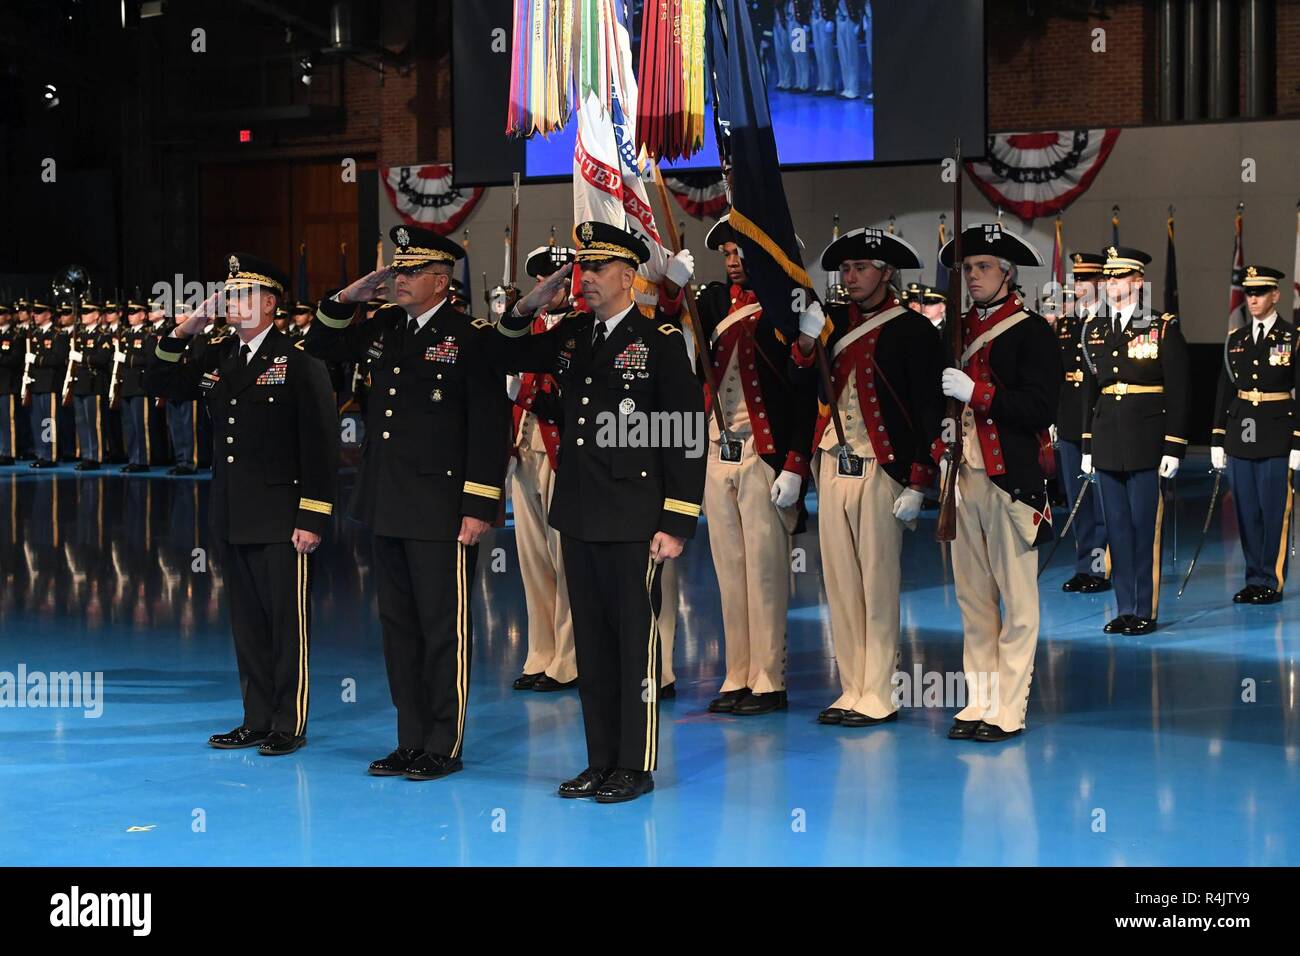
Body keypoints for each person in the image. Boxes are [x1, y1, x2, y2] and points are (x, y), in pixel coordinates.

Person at [497, 221, 705, 803]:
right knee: (590, 644)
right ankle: (599, 760)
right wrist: (529, 305)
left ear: (626, 276)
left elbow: (686, 432)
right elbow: (505, 348)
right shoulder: (570, 335)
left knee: (632, 642)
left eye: (596, 270)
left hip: (637, 517)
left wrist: (678, 518)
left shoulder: (659, 340)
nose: (584, 280)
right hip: (581, 511)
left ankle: (634, 765)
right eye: (581, 270)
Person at [304, 225, 510, 781]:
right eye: (397, 270)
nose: (398, 278)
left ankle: (443, 742)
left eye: (410, 271)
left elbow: (490, 425)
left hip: (443, 504)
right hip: (388, 498)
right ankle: (410, 738)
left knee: (443, 627)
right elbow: (321, 345)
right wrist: (348, 297)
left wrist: (479, 504)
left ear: (441, 280)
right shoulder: (387, 326)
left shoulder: (471, 334)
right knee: (398, 627)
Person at [145, 253, 338, 755]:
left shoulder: (298, 361)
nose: (232, 302)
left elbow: (320, 443)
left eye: (243, 295)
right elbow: (158, 382)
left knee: (285, 624)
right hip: (232, 512)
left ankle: (287, 722)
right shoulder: (218, 356)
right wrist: (187, 328)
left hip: (282, 516)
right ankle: (255, 717)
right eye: (229, 295)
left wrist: (313, 515)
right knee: (247, 624)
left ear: (270, 303)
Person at [793, 227, 944, 727]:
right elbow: (798, 384)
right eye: (847, 269)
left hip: (883, 471)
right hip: (834, 464)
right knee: (839, 582)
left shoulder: (916, 331)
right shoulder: (830, 324)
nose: (851, 277)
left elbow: (927, 409)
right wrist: (807, 342)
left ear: (886, 273)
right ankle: (851, 686)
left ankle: (879, 690)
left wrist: (920, 481)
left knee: (878, 584)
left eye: (862, 268)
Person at [936, 223, 1060, 741]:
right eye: (967, 269)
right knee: (973, 600)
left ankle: (1009, 706)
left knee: (1018, 603)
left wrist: (978, 394)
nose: (973, 277)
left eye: (983, 267)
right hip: (963, 481)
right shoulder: (955, 331)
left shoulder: (1032, 332)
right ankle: (980, 700)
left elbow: (1039, 406)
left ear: (1007, 274)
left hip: (1011, 484)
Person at [692, 215, 817, 716]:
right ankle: (737, 671)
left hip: (765, 454)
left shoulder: (790, 306)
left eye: (740, 251)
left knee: (765, 571)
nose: (732, 261)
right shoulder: (716, 303)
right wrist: (672, 290)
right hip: (718, 451)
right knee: (729, 570)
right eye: (725, 254)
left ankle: (769, 678)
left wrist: (795, 463)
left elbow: (806, 396)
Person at [1081, 246, 1188, 636]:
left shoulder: (1161, 326)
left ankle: (1145, 608)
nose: (1111, 283)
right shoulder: (1094, 328)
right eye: (1108, 276)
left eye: (1120, 276)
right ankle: (1124, 607)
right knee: (1118, 530)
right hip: (1108, 437)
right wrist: (1088, 445)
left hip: (1147, 438)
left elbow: (1178, 390)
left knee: (1145, 528)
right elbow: (1090, 392)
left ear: (1138, 282)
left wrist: (1174, 445)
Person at [509, 244, 580, 692]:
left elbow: (570, 400)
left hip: (561, 452)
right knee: (533, 560)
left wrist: (522, 393)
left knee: (565, 559)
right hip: (525, 450)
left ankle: (570, 659)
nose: (546, 287)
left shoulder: (580, 328)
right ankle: (540, 652)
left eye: (555, 278)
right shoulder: (532, 325)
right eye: (540, 280)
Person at [1211, 264, 1298, 604]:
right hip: (1240, 434)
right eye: (1249, 292)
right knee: (1246, 511)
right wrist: (1218, 438)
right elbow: (1224, 389)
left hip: (1277, 433)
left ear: (1275, 295)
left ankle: (1271, 580)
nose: (1253, 299)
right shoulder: (1237, 339)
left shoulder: (1292, 337)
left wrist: (1298, 441)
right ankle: (1253, 577)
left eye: (1260, 292)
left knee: (1274, 509)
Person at [1055, 252, 1110, 593]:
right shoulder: (1066, 323)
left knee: (1103, 504)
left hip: (1101, 423)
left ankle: (1101, 568)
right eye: (1076, 280)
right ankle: (1084, 567)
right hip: (1069, 422)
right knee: (1078, 501)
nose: (1079, 286)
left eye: (1085, 280)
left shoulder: (1109, 323)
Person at [69, 301, 111, 471]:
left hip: (94, 383)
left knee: (94, 422)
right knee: (81, 422)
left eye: (87, 312)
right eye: (82, 312)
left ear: (96, 315)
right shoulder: (79, 336)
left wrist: (82, 359)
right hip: (80, 383)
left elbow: (103, 358)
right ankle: (86, 454)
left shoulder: (103, 336)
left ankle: (96, 456)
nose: (83, 315)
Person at [25, 301, 67, 468]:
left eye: (39, 312)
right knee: (37, 421)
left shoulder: (58, 334)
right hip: (36, 383)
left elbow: (57, 358)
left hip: (50, 384)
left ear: (49, 314)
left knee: (48, 422)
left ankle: (51, 454)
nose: (35, 315)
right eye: (34, 312)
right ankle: (41, 453)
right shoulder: (35, 334)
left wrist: (37, 360)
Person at [117, 301, 157, 473]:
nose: (130, 315)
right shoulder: (125, 335)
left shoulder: (148, 336)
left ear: (143, 315)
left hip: (140, 385)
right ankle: (133, 458)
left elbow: (150, 360)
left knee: (140, 425)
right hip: (126, 384)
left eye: (134, 312)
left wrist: (126, 359)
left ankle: (143, 460)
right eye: (129, 312)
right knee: (129, 426)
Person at [0, 305, 21, 465]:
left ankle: (9, 452)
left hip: (8, 383)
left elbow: (16, 359)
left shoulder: (15, 336)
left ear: (8, 316)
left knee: (8, 420)